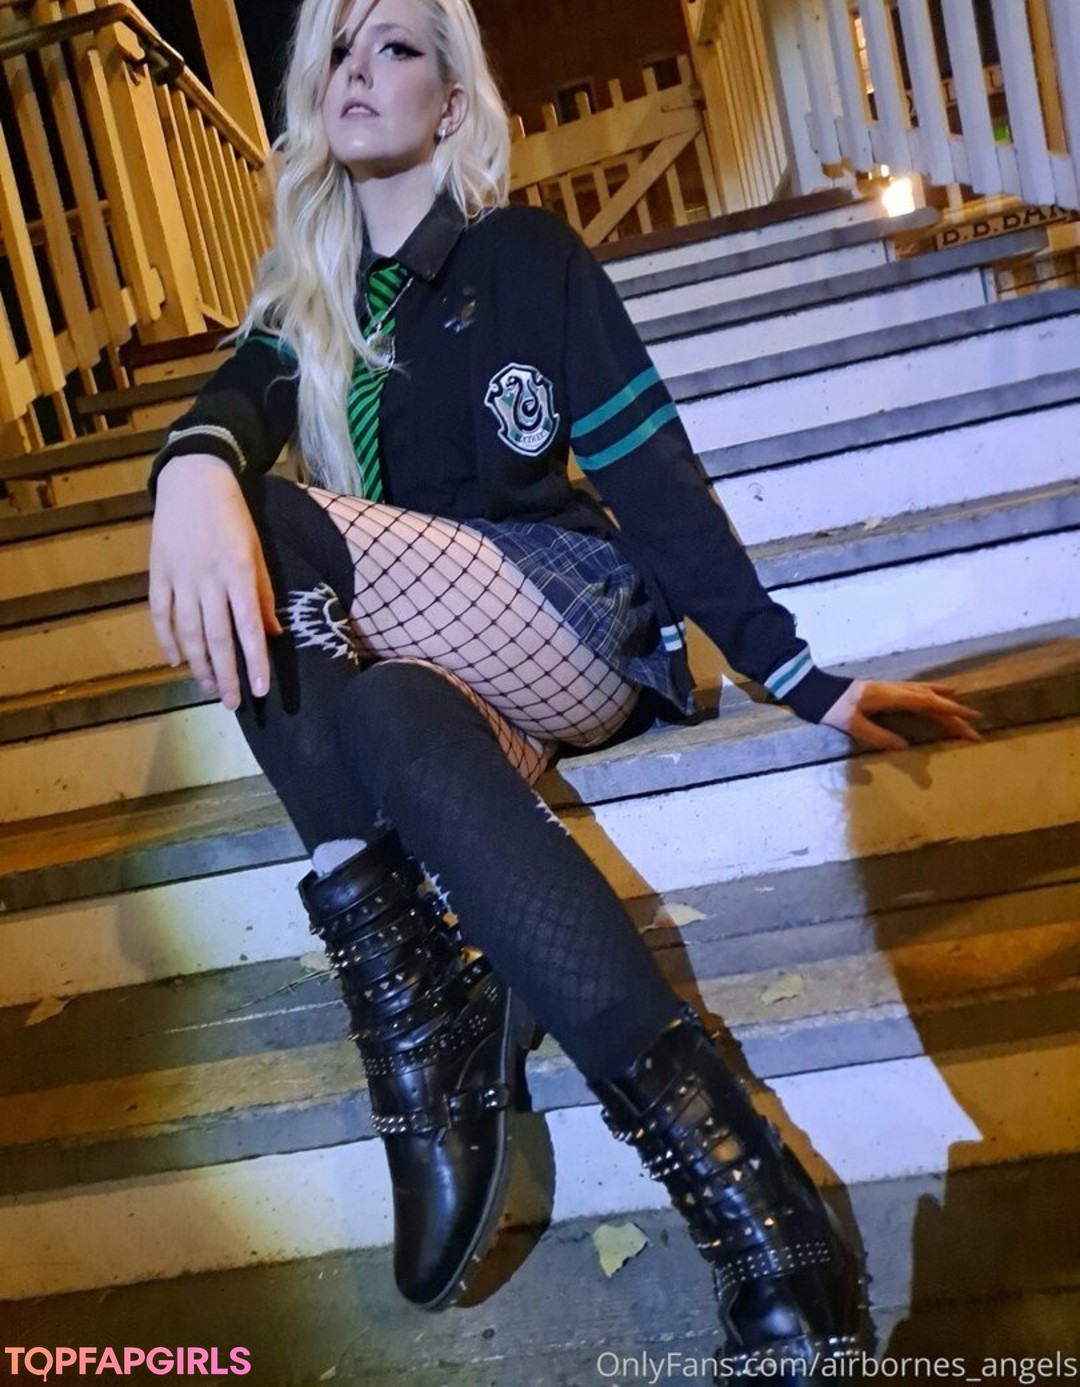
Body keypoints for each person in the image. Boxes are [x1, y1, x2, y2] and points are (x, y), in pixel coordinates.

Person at [147, 0, 983, 1377]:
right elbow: (230, 405)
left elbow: (651, 476)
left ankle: (416, 1023)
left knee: (268, 519)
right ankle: (755, 1210)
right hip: (435, 673)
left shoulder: (523, 256)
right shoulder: (304, 308)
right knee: (382, 710)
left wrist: (793, 672)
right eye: (339, 48)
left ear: (453, 100)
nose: (358, 69)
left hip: (569, 618)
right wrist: (189, 459)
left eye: (395, 47)